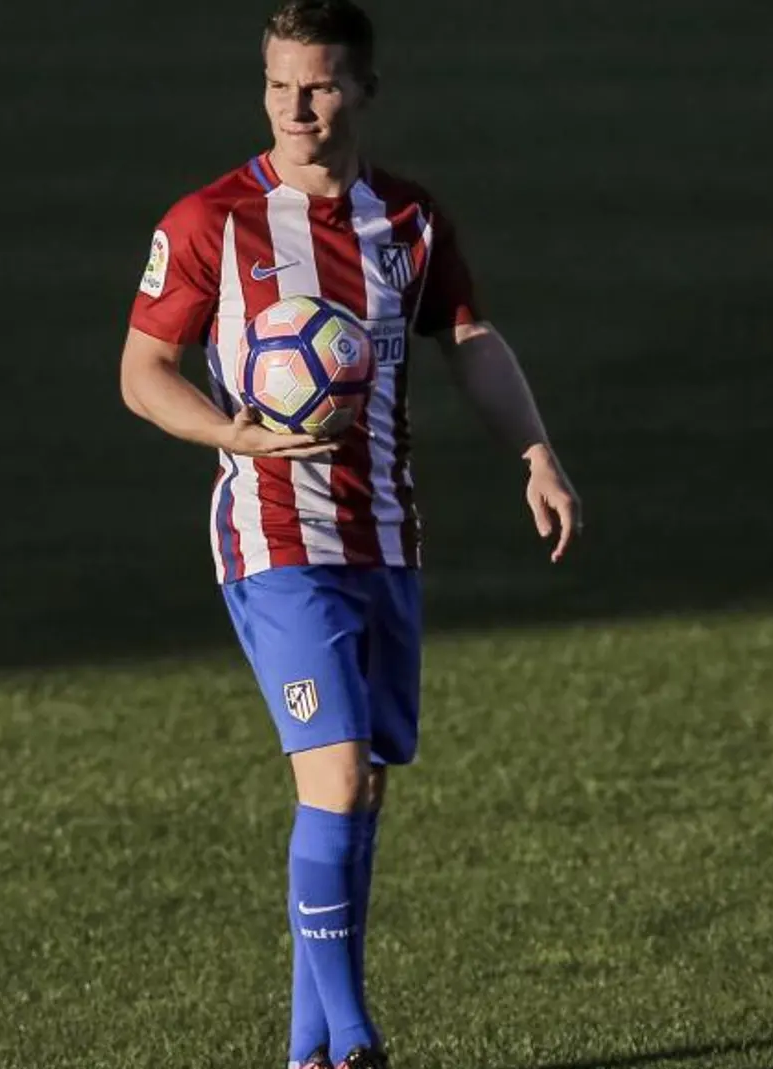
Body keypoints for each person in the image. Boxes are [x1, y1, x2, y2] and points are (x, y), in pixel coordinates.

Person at [117, 2, 583, 1066]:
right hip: (271, 540)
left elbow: (467, 339)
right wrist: (227, 432)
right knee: (332, 774)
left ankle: (308, 1053)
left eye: (319, 86)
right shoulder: (209, 222)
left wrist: (536, 453)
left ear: (363, 90)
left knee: (360, 783)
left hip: (383, 536)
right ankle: (361, 1041)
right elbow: (142, 370)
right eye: (279, 84)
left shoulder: (408, 222)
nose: (295, 106)